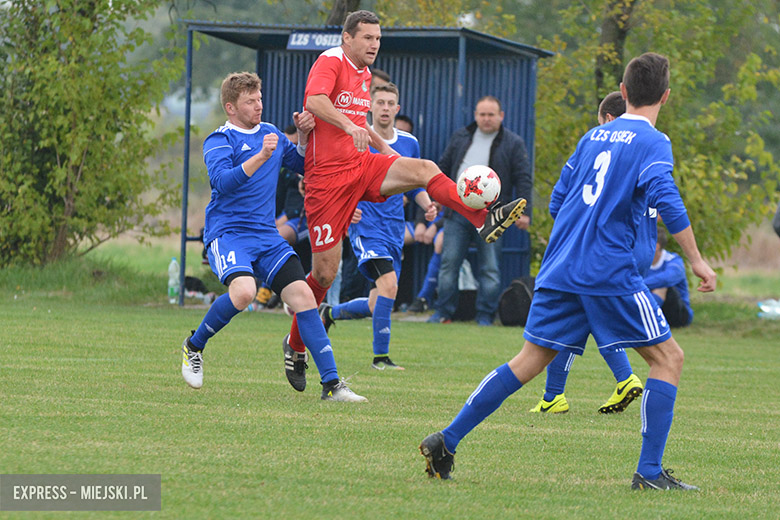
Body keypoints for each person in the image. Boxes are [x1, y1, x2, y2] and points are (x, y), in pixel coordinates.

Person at [419, 53, 717, 491]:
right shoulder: (654, 142)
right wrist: (695, 259)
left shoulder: (592, 137)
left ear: (625, 91)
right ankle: (649, 474)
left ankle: (447, 438)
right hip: (607, 270)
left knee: (529, 360)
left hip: (560, 266)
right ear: (666, 96)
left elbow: (558, 202)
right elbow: (666, 199)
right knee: (668, 358)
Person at [282, 10, 527, 392]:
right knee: (324, 273)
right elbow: (315, 100)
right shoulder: (330, 60)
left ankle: (482, 217)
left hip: (359, 166)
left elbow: (357, 122)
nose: (374, 45)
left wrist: (385, 151)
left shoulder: (365, 76)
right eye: (367, 38)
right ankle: (296, 344)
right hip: (326, 182)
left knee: (425, 168)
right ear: (347, 38)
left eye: (378, 39)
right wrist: (347, 126)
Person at [180, 71, 366, 403]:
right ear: (231, 108)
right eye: (250, 101)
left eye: (260, 99)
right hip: (229, 234)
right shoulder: (219, 140)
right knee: (244, 292)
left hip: (266, 237)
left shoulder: (271, 134)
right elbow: (223, 183)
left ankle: (332, 385)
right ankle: (194, 346)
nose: (258, 106)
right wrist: (261, 157)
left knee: (305, 298)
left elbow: (304, 164)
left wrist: (305, 137)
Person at [529, 91, 645, 415]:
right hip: (629, 248)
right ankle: (555, 397)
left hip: (587, 252)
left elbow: (555, 203)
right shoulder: (643, 148)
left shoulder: (590, 144)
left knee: (576, 318)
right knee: (585, 317)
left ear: (607, 119)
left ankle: (623, 378)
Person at [319, 82, 436, 370]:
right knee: (389, 285)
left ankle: (329, 313)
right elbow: (343, 180)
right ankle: (380, 359)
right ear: (370, 106)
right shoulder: (358, 137)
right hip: (366, 228)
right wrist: (350, 208)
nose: (384, 108)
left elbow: (413, 184)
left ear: (397, 108)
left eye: (389, 103)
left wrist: (426, 204)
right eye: (379, 102)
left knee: (377, 301)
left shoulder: (409, 143)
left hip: (394, 229)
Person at [427, 95, 533, 326]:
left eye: (491, 115)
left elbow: (523, 178)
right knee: (449, 263)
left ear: (501, 116)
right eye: (482, 114)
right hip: (456, 213)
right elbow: (442, 168)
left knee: (490, 267)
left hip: (492, 217)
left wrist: (526, 212)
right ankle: (443, 312)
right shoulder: (461, 137)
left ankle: (485, 315)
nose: (486, 119)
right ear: (475, 115)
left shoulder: (513, 142)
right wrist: (435, 199)